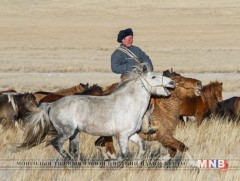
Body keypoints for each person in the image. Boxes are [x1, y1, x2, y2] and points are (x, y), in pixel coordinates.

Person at [111, 28, 156, 134]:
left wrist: (146, 66)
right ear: (123, 40)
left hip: (142, 78)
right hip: (128, 79)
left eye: (132, 38)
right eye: (129, 38)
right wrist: (132, 66)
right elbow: (115, 68)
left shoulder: (137, 50)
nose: (131, 40)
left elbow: (147, 59)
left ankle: (147, 121)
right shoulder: (118, 53)